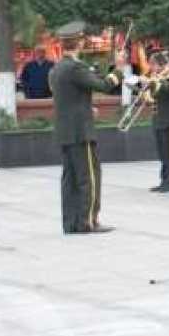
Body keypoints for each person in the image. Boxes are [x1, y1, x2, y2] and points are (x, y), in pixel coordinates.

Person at [49, 22, 123, 234]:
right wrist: (117, 69)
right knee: (89, 176)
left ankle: (71, 222)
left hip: (65, 131)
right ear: (79, 42)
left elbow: (70, 97)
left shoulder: (57, 68)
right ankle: (88, 221)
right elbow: (104, 86)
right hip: (80, 131)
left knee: (70, 178)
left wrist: (85, 107)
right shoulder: (75, 67)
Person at [145, 51, 169, 193]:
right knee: (163, 153)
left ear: (161, 65)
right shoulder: (154, 78)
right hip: (158, 119)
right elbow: (151, 95)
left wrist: (158, 81)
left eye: (153, 64)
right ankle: (164, 179)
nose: (151, 67)